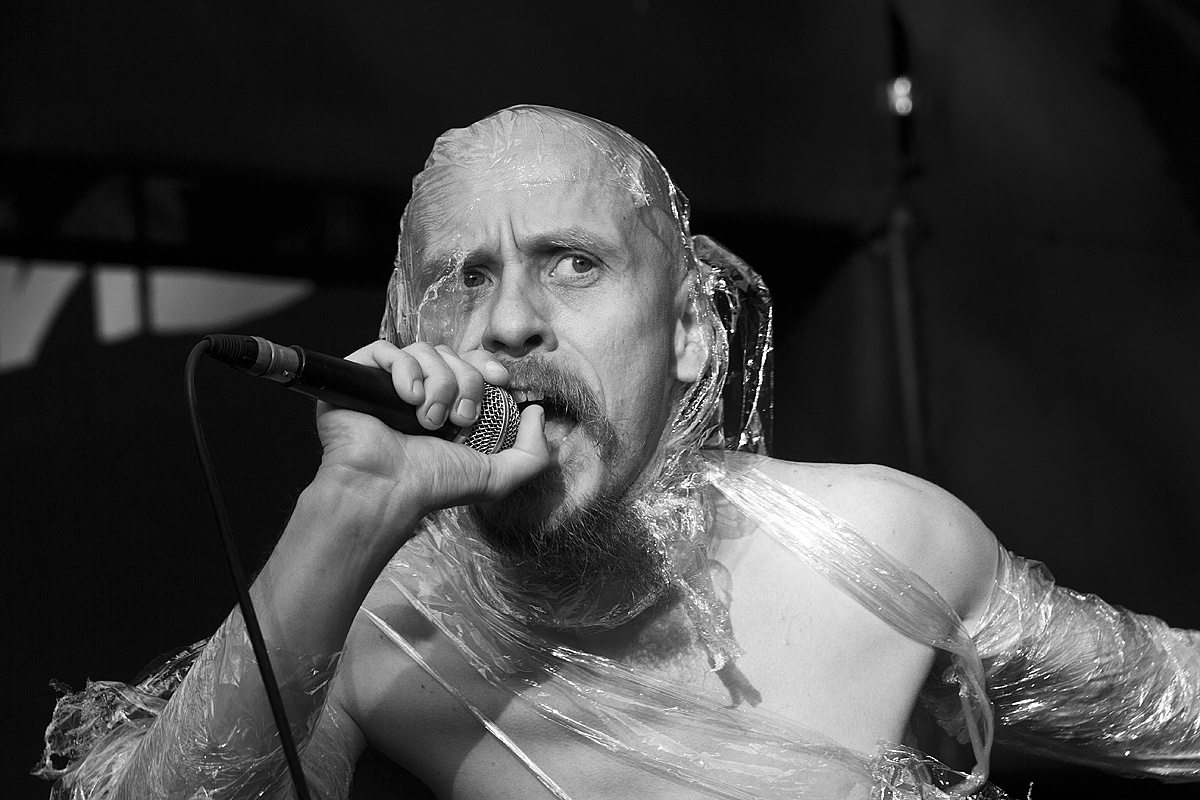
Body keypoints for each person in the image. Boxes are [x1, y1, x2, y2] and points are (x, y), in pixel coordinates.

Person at [36, 105, 1200, 799]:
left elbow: (1178, 711)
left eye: (574, 262)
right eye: (464, 279)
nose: (508, 321)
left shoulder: (875, 549)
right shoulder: (373, 630)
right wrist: (348, 507)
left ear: (689, 331)